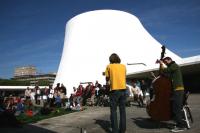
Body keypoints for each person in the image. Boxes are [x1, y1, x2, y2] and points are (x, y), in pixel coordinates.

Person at [159, 57, 187, 132]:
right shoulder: (172, 67)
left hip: (178, 89)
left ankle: (181, 126)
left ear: (169, 60)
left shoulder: (174, 65)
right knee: (174, 107)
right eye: (164, 62)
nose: (165, 63)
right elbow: (166, 74)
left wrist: (161, 64)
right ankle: (178, 123)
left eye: (166, 62)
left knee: (176, 108)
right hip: (176, 90)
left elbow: (166, 70)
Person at [105, 53, 126, 133]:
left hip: (114, 90)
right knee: (122, 111)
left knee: (113, 111)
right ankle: (122, 130)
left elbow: (107, 78)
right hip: (123, 89)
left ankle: (115, 131)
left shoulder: (109, 66)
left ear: (111, 59)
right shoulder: (123, 66)